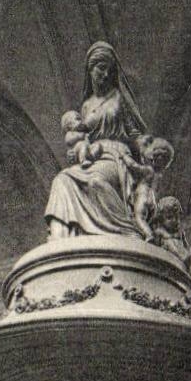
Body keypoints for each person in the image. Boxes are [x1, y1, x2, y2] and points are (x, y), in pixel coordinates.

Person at [46, 41, 151, 238]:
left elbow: (134, 132)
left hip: (116, 156)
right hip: (93, 157)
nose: (105, 75)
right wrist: (75, 151)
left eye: (109, 71)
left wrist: (145, 148)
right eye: (101, 69)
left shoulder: (118, 98)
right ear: (90, 69)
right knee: (61, 180)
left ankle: (127, 230)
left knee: (95, 182)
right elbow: (82, 137)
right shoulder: (86, 106)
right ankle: (59, 241)